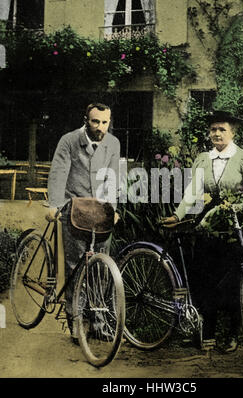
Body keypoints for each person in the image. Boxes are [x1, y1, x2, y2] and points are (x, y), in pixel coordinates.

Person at [162, 110, 243, 352]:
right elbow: (193, 190)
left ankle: (232, 334)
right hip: (208, 226)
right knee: (203, 279)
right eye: (213, 129)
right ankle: (206, 332)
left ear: (233, 132)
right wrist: (178, 215)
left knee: (233, 282)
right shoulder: (203, 159)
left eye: (222, 129)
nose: (217, 134)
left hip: (236, 227)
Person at [46, 102, 120, 341]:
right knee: (76, 266)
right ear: (86, 120)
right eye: (95, 121)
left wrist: (113, 209)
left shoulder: (113, 144)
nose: (100, 127)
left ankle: (99, 323)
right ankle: (76, 320)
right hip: (74, 208)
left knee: (100, 266)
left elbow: (112, 178)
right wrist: (55, 205)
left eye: (105, 122)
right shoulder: (69, 141)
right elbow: (58, 173)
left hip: (100, 212)